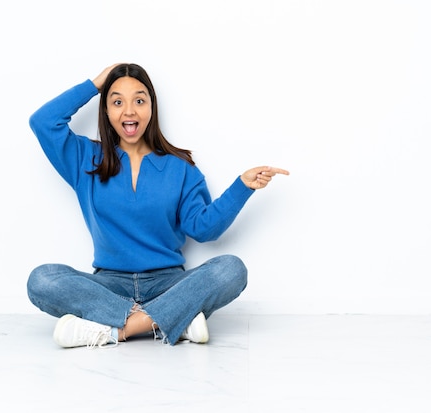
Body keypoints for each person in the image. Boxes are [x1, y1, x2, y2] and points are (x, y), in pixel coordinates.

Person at [26, 63, 289, 349]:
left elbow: (204, 229)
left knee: (231, 269)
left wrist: (242, 186)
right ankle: (174, 319)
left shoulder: (180, 167)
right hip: (109, 286)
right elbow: (43, 122)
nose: (129, 111)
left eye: (139, 100)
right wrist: (96, 83)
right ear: (106, 111)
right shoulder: (86, 159)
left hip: (168, 284)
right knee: (42, 280)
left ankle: (115, 330)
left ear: (152, 107)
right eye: (117, 102)